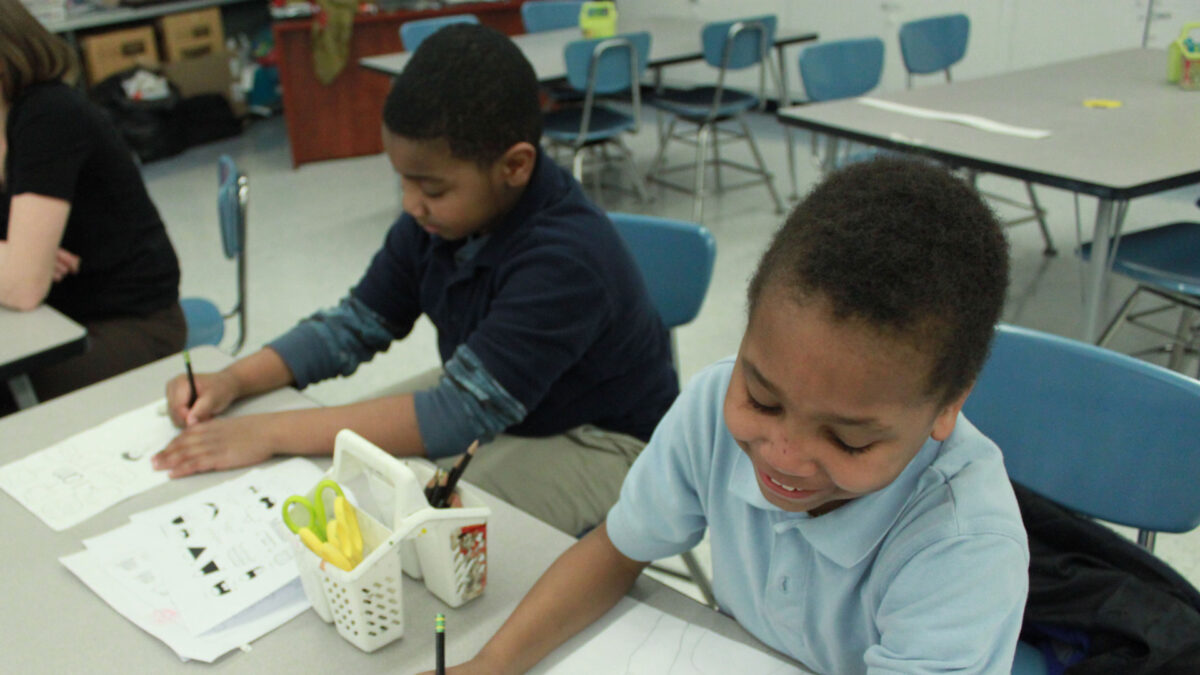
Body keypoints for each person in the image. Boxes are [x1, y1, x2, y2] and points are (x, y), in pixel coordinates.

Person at [429, 157, 1029, 675]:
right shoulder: (714, 405)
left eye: (848, 440)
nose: (783, 456)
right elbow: (615, 550)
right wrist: (491, 664)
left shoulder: (964, 547)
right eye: (763, 400)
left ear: (949, 405)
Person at [153, 24, 677, 536]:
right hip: (503, 399)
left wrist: (267, 432)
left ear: (514, 166)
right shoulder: (440, 221)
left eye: (431, 186)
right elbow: (354, 325)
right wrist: (235, 380)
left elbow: (459, 414)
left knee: (414, 532)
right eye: (402, 179)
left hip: (606, 440)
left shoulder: (567, 258)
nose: (410, 204)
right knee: (346, 475)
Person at [0, 0, 185, 406]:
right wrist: (17, 259)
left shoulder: (46, 113)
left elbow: (23, 286)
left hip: (129, 327)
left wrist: (20, 264)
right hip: (58, 317)